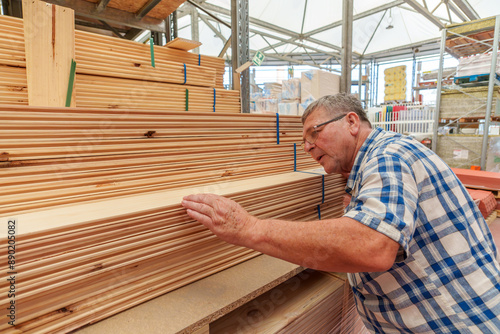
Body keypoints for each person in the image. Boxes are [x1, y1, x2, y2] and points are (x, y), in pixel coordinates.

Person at [181, 93, 500, 333]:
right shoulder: (369, 165)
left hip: (457, 323)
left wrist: (247, 227)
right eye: (303, 140)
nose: (306, 147)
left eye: (314, 133)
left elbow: (371, 247)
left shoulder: (388, 156)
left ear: (351, 122)